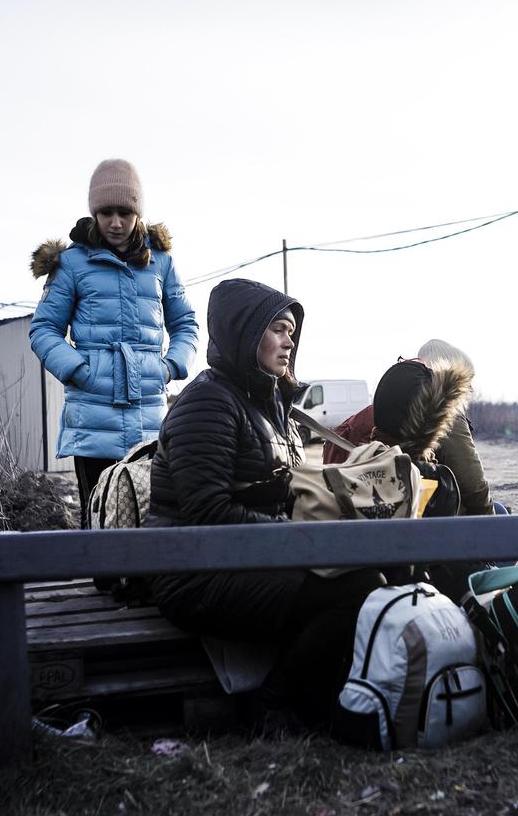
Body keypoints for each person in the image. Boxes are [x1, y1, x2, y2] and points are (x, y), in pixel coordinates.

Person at [144, 278, 384, 732]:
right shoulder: (209, 403)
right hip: (194, 572)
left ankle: (325, 698)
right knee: (355, 589)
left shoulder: (271, 403)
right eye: (277, 328)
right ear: (243, 332)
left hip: (248, 554)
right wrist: (301, 541)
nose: (289, 340)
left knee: (368, 575)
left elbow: (283, 494)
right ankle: (270, 705)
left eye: (292, 331)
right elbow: (208, 513)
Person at [29, 159, 199, 528]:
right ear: (94, 213)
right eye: (106, 212)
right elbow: (43, 329)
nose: (116, 223)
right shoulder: (71, 264)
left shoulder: (162, 263)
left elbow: (185, 322)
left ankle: (147, 587)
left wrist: (170, 366)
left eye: (125, 212)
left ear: (138, 213)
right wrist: (78, 370)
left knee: (151, 517)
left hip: (150, 418)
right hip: (92, 417)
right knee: (100, 522)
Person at [323, 340, 494, 516]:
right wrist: (492, 523)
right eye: (466, 384)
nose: (470, 390)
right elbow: (474, 486)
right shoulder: (445, 413)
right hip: (418, 511)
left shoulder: (384, 403)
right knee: (499, 511)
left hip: (363, 500)